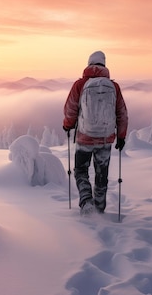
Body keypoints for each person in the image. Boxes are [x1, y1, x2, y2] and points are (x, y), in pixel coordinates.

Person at [63, 51, 128, 215]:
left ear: (89, 64)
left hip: (85, 137)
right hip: (105, 140)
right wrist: (121, 136)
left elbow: (70, 108)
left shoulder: (80, 84)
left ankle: (86, 202)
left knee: (80, 171)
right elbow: (122, 113)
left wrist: (67, 126)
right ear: (104, 65)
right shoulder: (113, 86)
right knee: (101, 174)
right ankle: (99, 208)